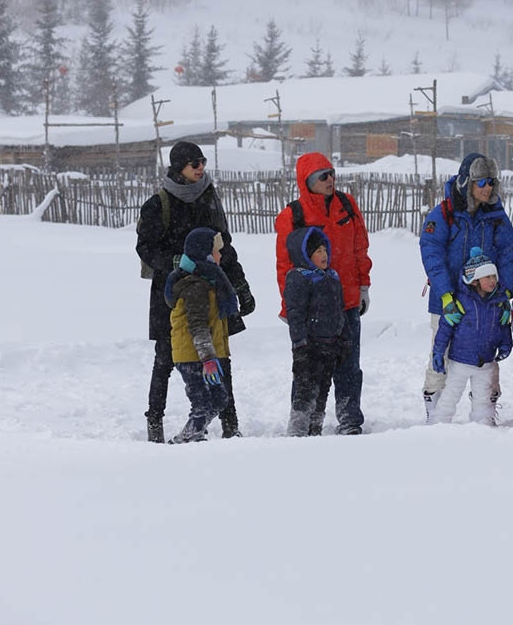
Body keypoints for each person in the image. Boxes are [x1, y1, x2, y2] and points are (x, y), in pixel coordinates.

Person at [137, 141, 255, 443]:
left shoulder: (208, 197)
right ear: (179, 168)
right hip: (173, 292)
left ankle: (231, 425)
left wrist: (241, 288)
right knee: (165, 359)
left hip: (213, 290)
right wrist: (180, 262)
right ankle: (154, 424)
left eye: (202, 161)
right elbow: (145, 248)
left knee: (220, 357)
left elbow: (223, 248)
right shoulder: (158, 204)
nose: (200, 168)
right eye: (194, 164)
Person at [274, 152, 371, 435]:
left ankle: (350, 419)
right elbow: (284, 264)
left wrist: (363, 285)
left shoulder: (346, 204)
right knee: (307, 369)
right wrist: (289, 306)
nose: (330, 180)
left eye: (332, 173)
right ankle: (302, 423)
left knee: (349, 365)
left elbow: (359, 248)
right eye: (323, 176)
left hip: (348, 299)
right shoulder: (293, 215)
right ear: (307, 181)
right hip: (313, 308)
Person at [419, 152, 513, 421]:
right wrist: (447, 296)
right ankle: (435, 408)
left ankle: (486, 408)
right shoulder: (445, 214)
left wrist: (505, 294)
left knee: (488, 353)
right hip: (448, 300)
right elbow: (432, 254)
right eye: (482, 182)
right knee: (442, 354)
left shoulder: (496, 216)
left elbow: (508, 252)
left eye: (492, 182)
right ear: (467, 183)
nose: (488, 188)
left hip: (487, 301)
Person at [164, 227, 238, 444]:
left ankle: (189, 437)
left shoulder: (210, 280)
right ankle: (187, 441)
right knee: (203, 404)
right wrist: (208, 359)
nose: (221, 255)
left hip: (204, 355)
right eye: (217, 251)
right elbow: (197, 326)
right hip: (193, 357)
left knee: (219, 399)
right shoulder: (196, 286)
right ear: (205, 253)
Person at [430, 248, 512, 426]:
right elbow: (445, 329)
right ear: (475, 280)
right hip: (460, 361)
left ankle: (483, 426)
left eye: (494, 276)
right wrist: (438, 352)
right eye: (487, 277)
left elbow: (504, 327)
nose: (492, 281)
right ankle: (438, 424)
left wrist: (506, 345)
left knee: (483, 398)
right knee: (450, 396)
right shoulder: (460, 301)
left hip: (486, 362)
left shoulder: (499, 302)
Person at [284, 226, 350, 437]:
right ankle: (297, 431)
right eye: (318, 251)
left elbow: (339, 310)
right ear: (305, 254)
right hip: (309, 345)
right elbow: (295, 314)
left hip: (330, 344)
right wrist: (300, 344)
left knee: (322, 391)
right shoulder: (298, 277)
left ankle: (315, 431)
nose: (324, 255)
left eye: (325, 250)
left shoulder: (332, 276)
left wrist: (343, 339)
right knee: (305, 391)